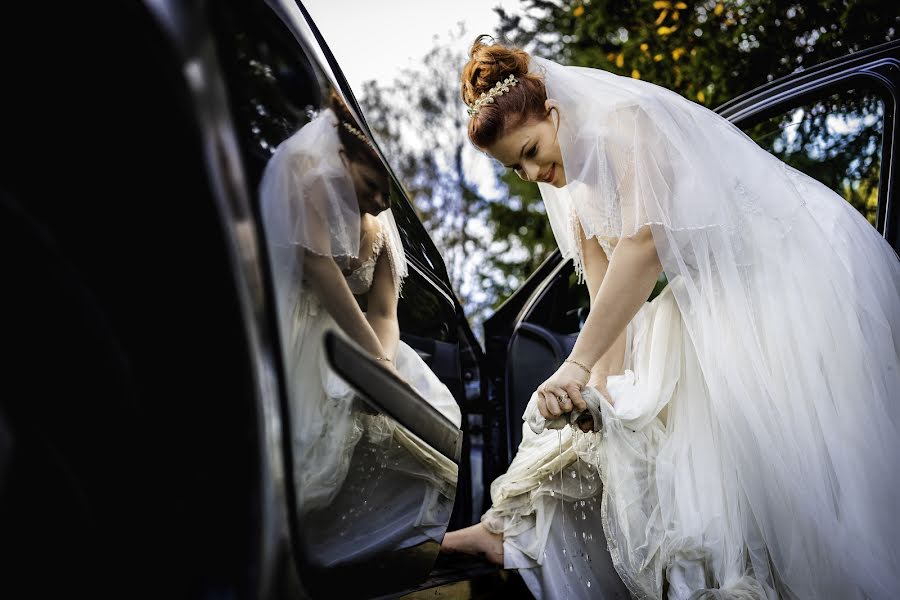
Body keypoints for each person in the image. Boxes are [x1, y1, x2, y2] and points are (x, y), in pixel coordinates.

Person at [442, 36, 900, 600]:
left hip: (783, 277)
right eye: (518, 168)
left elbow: (643, 246)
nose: (533, 173)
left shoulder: (629, 126)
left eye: (531, 150)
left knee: (785, 480)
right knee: (631, 425)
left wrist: (576, 366)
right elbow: (610, 311)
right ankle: (508, 531)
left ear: (553, 113)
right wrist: (594, 400)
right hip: (706, 305)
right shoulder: (575, 194)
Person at [259, 91, 462, 564]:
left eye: (386, 194)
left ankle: (375, 554)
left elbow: (385, 311)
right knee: (302, 453)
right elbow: (318, 268)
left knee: (421, 428)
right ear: (342, 156)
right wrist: (372, 364)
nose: (376, 203)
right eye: (371, 185)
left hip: (361, 341)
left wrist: (385, 370)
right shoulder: (304, 179)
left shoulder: (380, 222)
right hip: (301, 337)